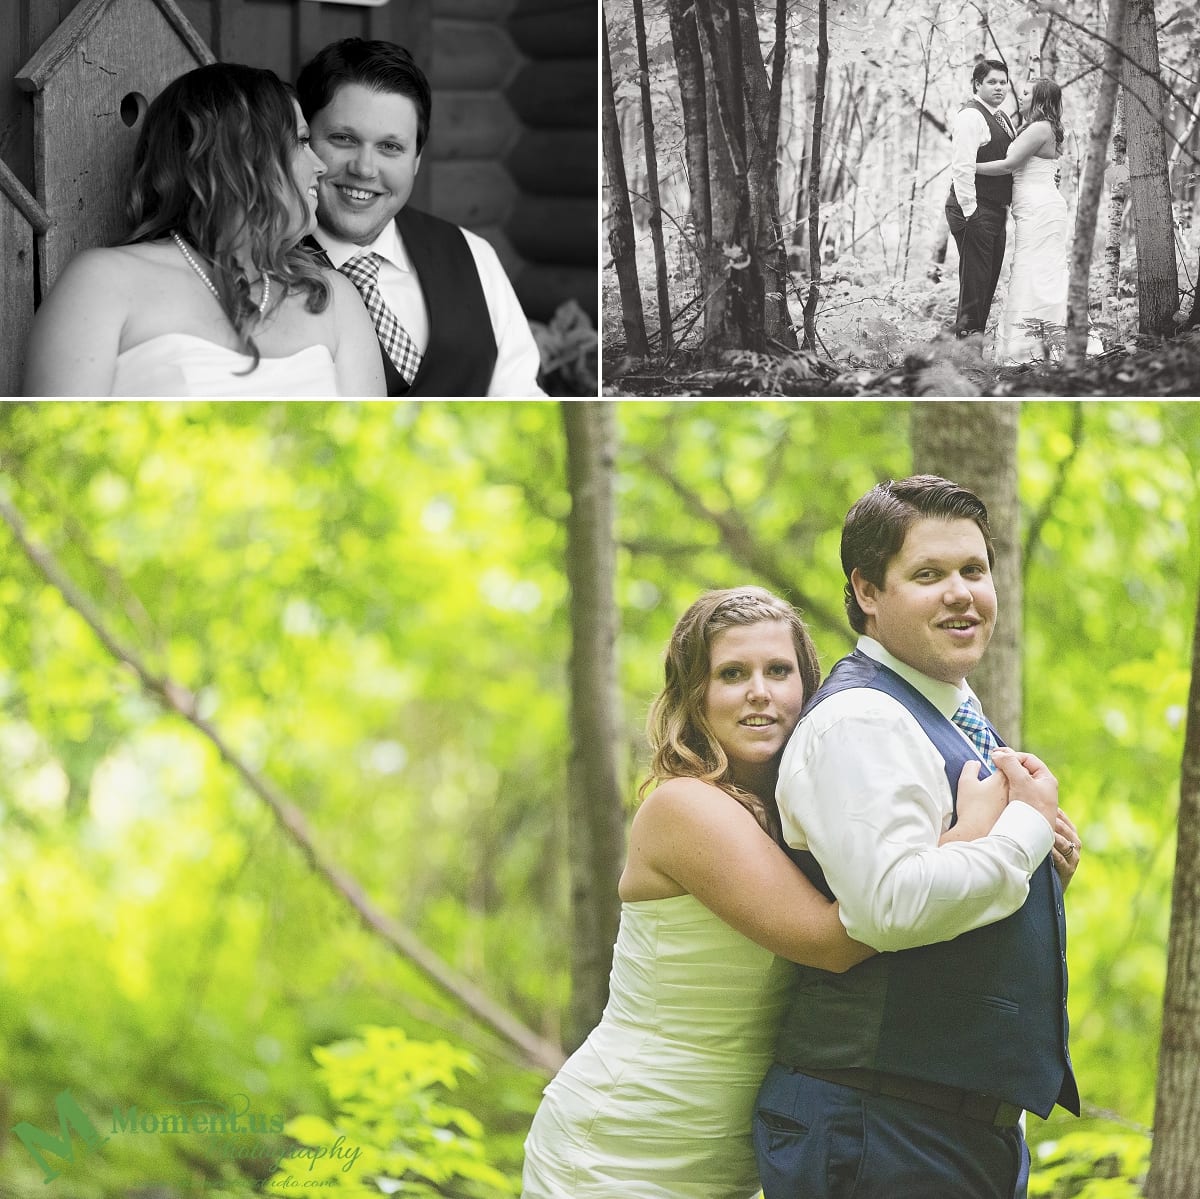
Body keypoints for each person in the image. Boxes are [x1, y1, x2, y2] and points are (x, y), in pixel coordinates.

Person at [522, 585, 1040, 1199]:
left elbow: (931, 910)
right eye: (732, 674)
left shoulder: (804, 806)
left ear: (807, 687)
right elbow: (836, 940)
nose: (759, 692)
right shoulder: (683, 809)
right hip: (624, 1145)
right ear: (696, 696)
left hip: (731, 1158)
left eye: (778, 671)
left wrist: (1039, 861)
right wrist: (983, 829)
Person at [754, 476, 1081, 1199]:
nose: (961, 592)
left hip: (945, 1132)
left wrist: (1041, 865)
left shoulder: (951, 710)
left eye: (974, 570)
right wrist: (1025, 826)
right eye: (929, 574)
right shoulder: (862, 721)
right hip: (881, 1130)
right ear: (867, 591)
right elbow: (890, 906)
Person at [23, 63, 383, 397]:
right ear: (244, 154)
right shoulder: (104, 282)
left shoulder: (333, 299)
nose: (320, 165)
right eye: (302, 142)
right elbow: (54, 457)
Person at [295, 39, 545, 398]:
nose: (365, 168)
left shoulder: (472, 255)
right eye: (343, 139)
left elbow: (520, 396)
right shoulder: (264, 267)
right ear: (304, 142)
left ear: (415, 159)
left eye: (390, 147)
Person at [976, 78, 1070, 362]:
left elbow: (1008, 165)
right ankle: (1039, 343)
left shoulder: (1039, 128)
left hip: (1039, 208)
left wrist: (968, 166)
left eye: (1026, 93)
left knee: (1035, 271)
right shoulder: (1039, 127)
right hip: (1036, 206)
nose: (1021, 96)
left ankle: (1032, 349)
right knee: (1038, 269)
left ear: (1040, 100)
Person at [946, 59, 1017, 339]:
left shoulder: (1002, 117)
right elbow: (962, 167)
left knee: (986, 283)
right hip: (974, 210)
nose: (999, 87)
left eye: (1003, 82)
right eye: (992, 82)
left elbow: (1008, 161)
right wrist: (970, 214)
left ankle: (971, 351)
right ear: (977, 84)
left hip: (995, 211)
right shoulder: (971, 116)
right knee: (975, 286)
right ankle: (965, 356)